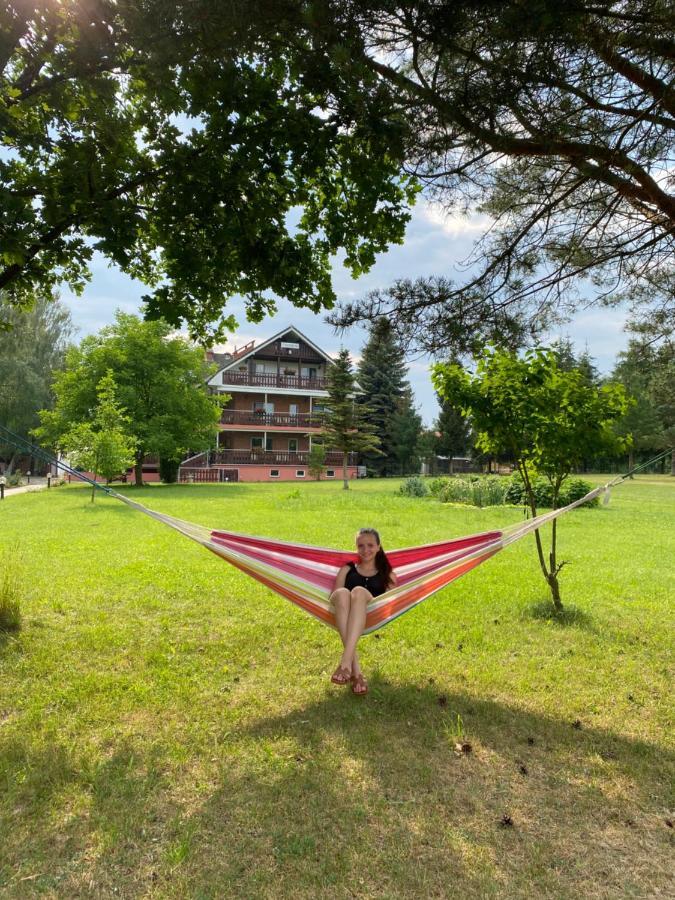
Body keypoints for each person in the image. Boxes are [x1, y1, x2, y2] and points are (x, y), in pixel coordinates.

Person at [329, 527, 397, 696]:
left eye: (370, 545)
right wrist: (343, 596)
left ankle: (346, 664)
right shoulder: (347, 569)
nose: (365, 550)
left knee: (358, 592)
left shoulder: (386, 574)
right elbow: (335, 595)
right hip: (345, 613)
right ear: (356, 548)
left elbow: (390, 602)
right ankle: (356, 673)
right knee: (343, 592)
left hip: (372, 613)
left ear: (379, 546)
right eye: (361, 546)